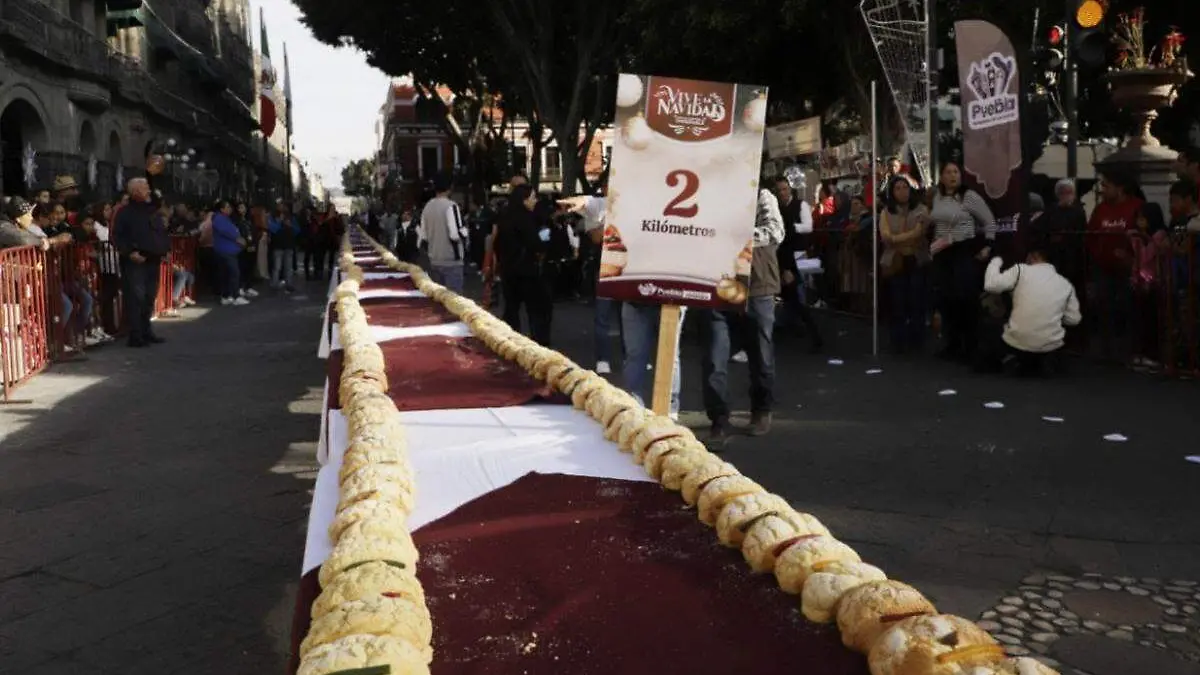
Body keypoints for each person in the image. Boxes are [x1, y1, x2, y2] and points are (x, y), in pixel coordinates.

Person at [701, 186, 786, 447]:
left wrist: (728, 235)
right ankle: (719, 420)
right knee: (714, 356)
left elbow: (775, 232)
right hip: (717, 282)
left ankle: (761, 410)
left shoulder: (762, 195)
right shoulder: (706, 194)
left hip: (757, 283)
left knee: (761, 352)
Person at [980, 237, 1081, 375]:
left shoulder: (1021, 270)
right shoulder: (1066, 284)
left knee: (989, 326)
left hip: (1017, 342)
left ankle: (996, 365)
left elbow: (990, 285)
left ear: (1033, 256)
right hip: (1050, 345)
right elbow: (1074, 320)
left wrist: (996, 260)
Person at [929, 161, 997, 361]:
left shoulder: (969, 197)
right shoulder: (937, 197)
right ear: (941, 177)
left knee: (965, 299)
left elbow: (989, 221)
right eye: (948, 172)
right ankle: (952, 343)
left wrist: (988, 245)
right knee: (946, 300)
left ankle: (970, 346)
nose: (953, 176)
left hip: (962, 250)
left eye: (956, 172)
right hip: (942, 253)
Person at [1086, 169, 1142, 358]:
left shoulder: (1137, 206)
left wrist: (1130, 257)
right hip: (1103, 268)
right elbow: (1091, 237)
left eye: (1106, 186)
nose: (1102, 189)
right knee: (1103, 308)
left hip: (1129, 269)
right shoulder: (1100, 209)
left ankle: (1129, 351)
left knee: (1128, 309)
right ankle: (1106, 351)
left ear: (1121, 188)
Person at [493, 185, 553, 344]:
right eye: (532, 197)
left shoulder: (505, 217)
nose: (535, 201)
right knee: (537, 312)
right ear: (524, 200)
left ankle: (511, 344)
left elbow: (497, 244)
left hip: (508, 272)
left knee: (511, 310)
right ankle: (539, 346)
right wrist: (544, 242)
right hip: (527, 271)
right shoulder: (526, 219)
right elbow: (536, 244)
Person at [112, 178, 169, 347]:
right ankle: (135, 334)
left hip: (153, 258)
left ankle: (146, 330)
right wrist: (130, 252)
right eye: (145, 188)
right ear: (135, 191)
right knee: (136, 297)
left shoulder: (151, 209)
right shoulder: (124, 212)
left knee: (149, 296)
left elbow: (159, 231)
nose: (149, 191)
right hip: (135, 260)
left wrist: (164, 249)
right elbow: (116, 236)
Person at [879, 175, 930, 353]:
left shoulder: (922, 209)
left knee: (917, 301)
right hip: (895, 260)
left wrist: (896, 238)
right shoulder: (886, 212)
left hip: (916, 258)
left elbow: (919, 233)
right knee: (897, 302)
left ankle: (917, 339)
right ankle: (898, 340)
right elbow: (885, 237)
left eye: (905, 187)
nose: (902, 191)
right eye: (898, 188)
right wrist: (900, 239)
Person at [773, 175, 823, 352]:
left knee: (798, 295)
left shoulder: (800, 205)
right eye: (779, 191)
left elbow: (808, 227)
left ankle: (812, 334)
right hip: (784, 256)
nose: (782, 193)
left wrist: (792, 227)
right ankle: (794, 327)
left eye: (785, 189)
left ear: (790, 189)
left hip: (798, 254)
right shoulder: (777, 209)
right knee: (790, 297)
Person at [419, 173, 466, 293]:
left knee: (439, 302)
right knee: (455, 301)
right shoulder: (451, 206)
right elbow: (455, 235)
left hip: (434, 260)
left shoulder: (427, 207)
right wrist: (465, 232)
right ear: (450, 187)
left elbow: (423, 236)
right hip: (451, 261)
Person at [212, 200, 248, 306]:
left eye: (230, 207)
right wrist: (237, 238)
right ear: (222, 209)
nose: (230, 209)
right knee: (234, 273)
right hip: (225, 251)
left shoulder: (225, 218)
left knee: (226, 274)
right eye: (227, 207)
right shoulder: (218, 218)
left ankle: (226, 296)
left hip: (228, 250)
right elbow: (226, 231)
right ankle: (235, 295)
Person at [268, 200, 298, 292]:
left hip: (289, 245)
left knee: (288, 267)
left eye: (283, 205)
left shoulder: (291, 217)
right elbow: (273, 229)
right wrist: (279, 222)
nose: (281, 207)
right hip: (278, 246)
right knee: (277, 267)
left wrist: (291, 226)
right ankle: (274, 285)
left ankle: (289, 284)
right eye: (279, 205)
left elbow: (298, 230)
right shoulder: (272, 217)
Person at [234, 201, 260, 298]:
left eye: (243, 207)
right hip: (241, 247)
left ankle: (248, 287)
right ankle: (240, 287)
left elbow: (254, 231)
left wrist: (253, 243)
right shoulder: (236, 221)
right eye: (240, 207)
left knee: (250, 267)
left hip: (251, 246)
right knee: (242, 267)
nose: (242, 209)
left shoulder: (250, 220)